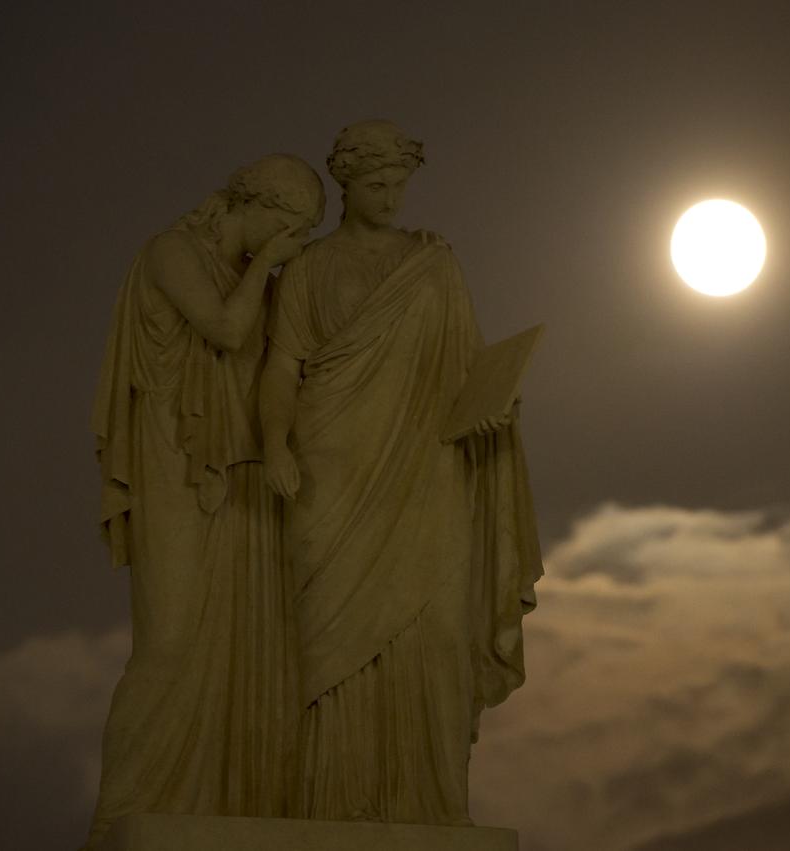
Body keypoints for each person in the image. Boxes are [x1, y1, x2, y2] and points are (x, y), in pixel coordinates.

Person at [261, 120, 542, 825]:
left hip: (427, 472)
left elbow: (468, 369)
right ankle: (332, 808)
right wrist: (273, 442)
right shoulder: (307, 269)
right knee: (329, 648)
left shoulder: (434, 265)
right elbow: (280, 368)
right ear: (346, 184)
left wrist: (492, 407)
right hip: (332, 472)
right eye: (375, 184)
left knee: (436, 635)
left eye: (398, 184)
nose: (389, 197)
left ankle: (430, 806)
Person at [86, 154, 324, 847]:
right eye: (293, 229)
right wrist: (266, 266)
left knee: (246, 644)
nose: (294, 245)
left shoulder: (264, 279)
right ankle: (116, 815)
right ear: (263, 210)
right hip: (175, 465)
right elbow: (224, 328)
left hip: (243, 475)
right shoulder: (171, 252)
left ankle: (225, 798)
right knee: (168, 642)